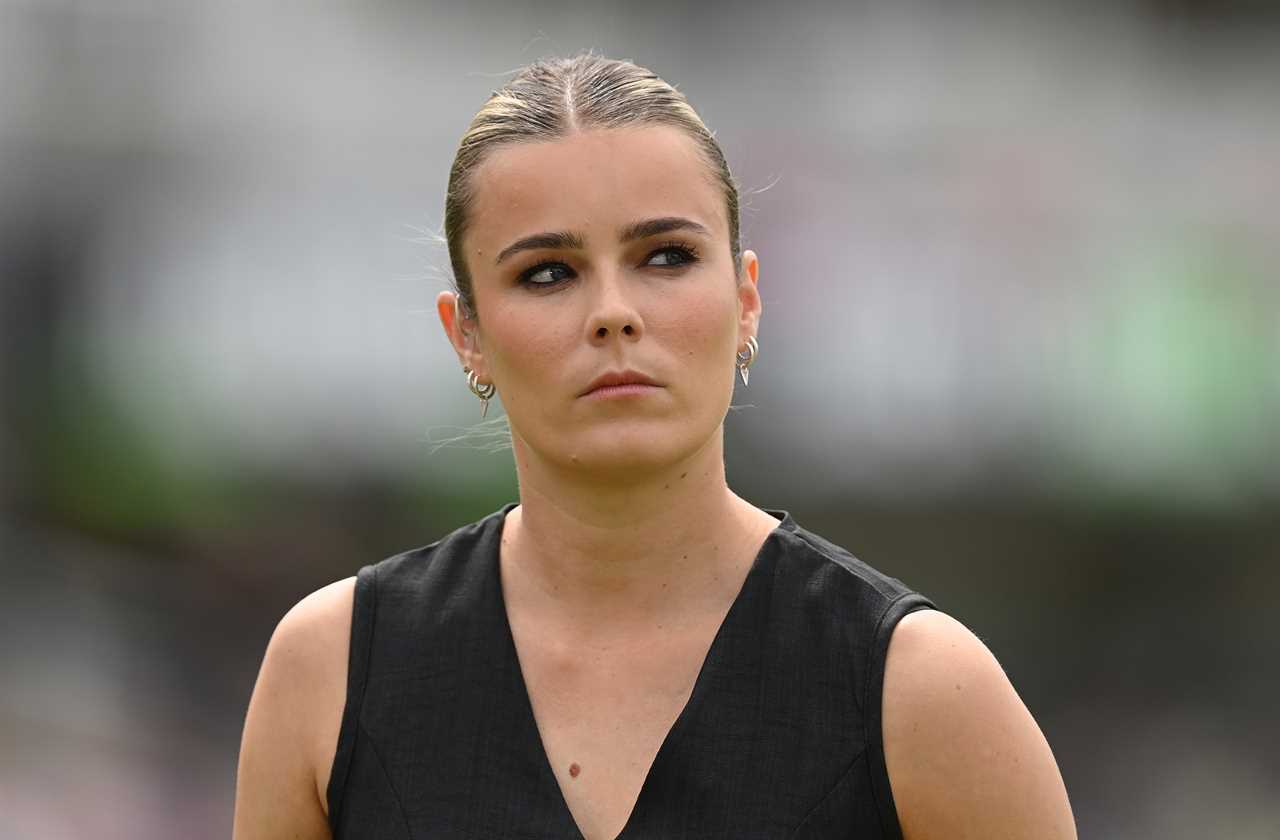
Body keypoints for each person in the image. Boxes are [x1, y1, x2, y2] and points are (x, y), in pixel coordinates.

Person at [233, 53, 1077, 840]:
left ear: (746, 300)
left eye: (666, 256)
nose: (613, 311)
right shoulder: (334, 673)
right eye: (547, 273)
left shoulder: (919, 690)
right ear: (469, 337)